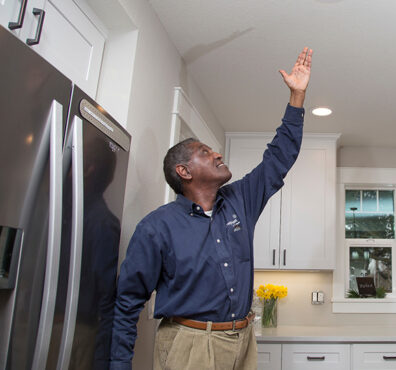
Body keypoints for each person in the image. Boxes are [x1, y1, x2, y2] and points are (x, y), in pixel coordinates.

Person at [109, 47, 313, 370]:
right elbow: (127, 303)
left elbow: (278, 158)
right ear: (184, 172)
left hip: (243, 342)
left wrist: (297, 97)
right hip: (190, 346)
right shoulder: (156, 228)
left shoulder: (240, 201)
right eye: (204, 152)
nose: (217, 154)